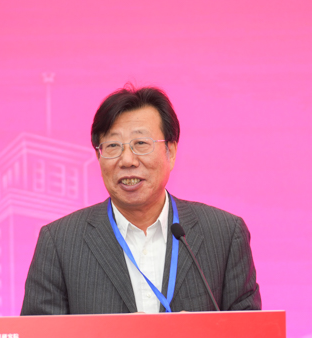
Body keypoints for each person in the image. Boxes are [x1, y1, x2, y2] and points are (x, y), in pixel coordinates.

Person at [21, 84, 260, 315]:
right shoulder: (60, 243)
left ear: (171, 152)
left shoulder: (224, 235)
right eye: (113, 146)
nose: (127, 160)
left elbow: (252, 335)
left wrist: (199, 334)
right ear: (98, 156)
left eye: (141, 144)